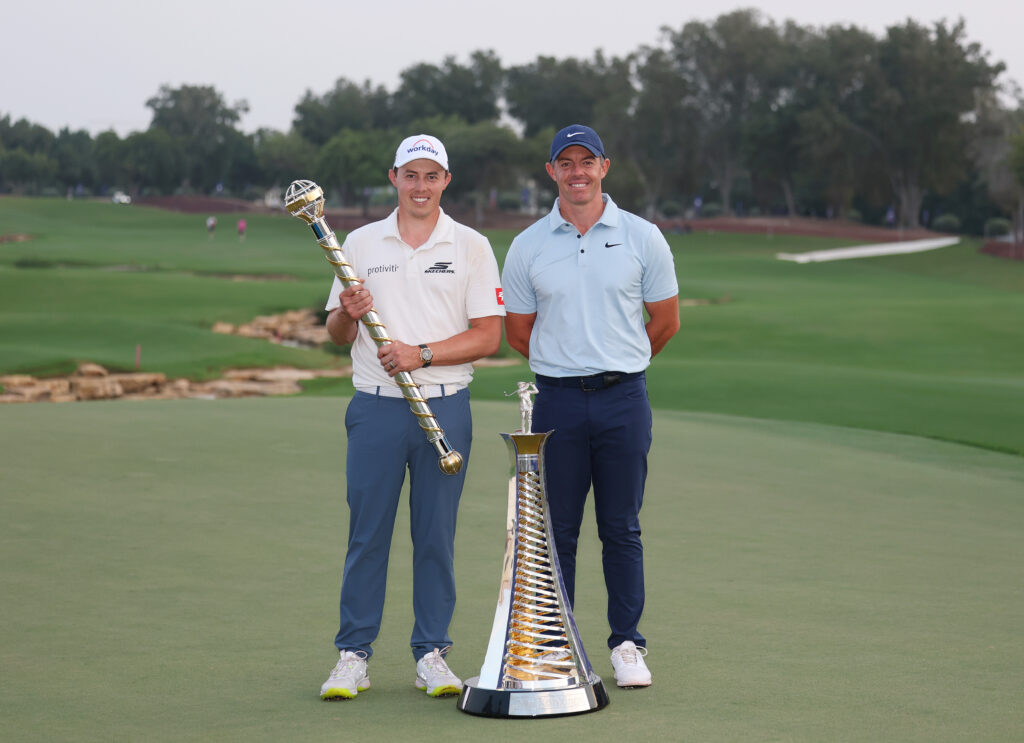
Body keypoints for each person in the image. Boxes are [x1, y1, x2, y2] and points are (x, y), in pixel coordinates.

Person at [319, 134, 505, 701]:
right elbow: (335, 334)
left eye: (432, 176)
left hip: (445, 403)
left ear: (446, 180)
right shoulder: (358, 240)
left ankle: (432, 654)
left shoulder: (471, 245)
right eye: (410, 175)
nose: (420, 186)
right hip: (375, 405)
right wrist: (348, 317)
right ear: (393, 177)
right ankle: (353, 655)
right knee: (367, 535)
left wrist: (420, 354)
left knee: (435, 536)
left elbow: (488, 336)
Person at [501, 124, 680, 689]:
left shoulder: (642, 236)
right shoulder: (528, 244)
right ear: (551, 171)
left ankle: (626, 644)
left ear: (605, 167)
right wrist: (568, 364)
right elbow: (518, 332)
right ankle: (558, 644)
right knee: (559, 531)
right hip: (556, 402)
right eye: (565, 163)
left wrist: (616, 362)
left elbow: (666, 321)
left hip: (624, 399)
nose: (577, 172)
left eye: (587, 161)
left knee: (621, 526)